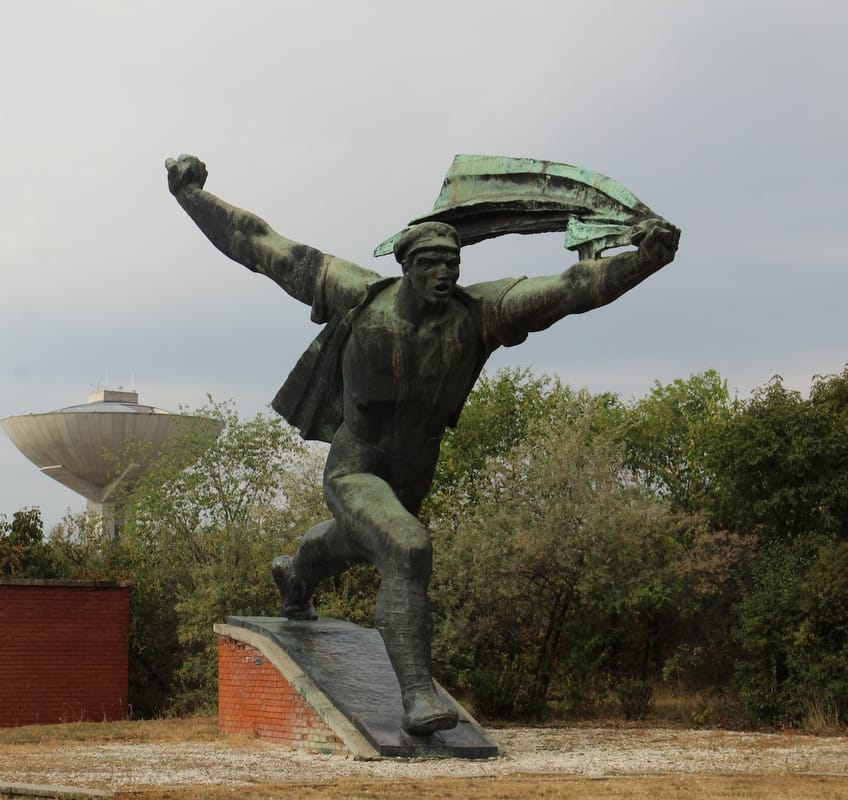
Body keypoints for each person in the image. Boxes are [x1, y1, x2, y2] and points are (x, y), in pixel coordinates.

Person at [165, 154, 680, 736]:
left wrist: (644, 260)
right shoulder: (357, 295)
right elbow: (261, 245)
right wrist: (192, 197)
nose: (445, 276)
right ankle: (417, 699)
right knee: (407, 547)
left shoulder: (479, 315)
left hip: (411, 474)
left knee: (357, 542)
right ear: (406, 265)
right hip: (355, 467)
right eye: (432, 265)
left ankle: (297, 575)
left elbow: (570, 287)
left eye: (453, 265)